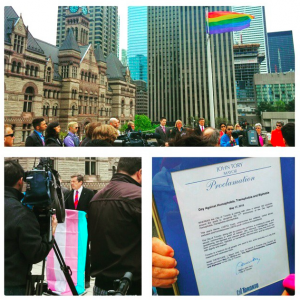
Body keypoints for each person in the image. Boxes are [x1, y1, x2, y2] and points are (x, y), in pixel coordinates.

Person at [88, 157, 142, 295]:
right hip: (131, 287)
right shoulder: (138, 196)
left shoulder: (95, 198)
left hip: (101, 286)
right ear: (140, 173)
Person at [5, 160, 57, 295]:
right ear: (21, 181)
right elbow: (36, 254)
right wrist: (50, 233)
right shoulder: (22, 213)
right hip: (12, 285)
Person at [64, 174, 94, 288]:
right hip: (72, 229)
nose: (71, 183)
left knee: (85, 253)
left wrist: (86, 214)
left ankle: (87, 279)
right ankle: (74, 277)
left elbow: (92, 208)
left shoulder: (89, 193)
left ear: (81, 182)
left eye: (74, 181)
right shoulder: (69, 194)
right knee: (72, 253)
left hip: (84, 228)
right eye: (71, 181)